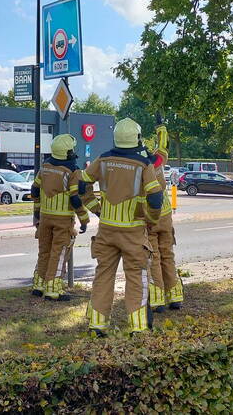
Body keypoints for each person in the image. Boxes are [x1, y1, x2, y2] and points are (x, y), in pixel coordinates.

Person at [80, 118, 165, 336]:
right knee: (136, 276)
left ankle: (97, 326)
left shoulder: (104, 159)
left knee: (103, 275)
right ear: (137, 138)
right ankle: (138, 327)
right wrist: (151, 219)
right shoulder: (143, 164)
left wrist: (95, 208)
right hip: (133, 232)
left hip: (107, 229)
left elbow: (82, 183)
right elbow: (155, 197)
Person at [31, 134, 90, 301]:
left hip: (45, 217)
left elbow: (35, 190)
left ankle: (38, 285)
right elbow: (75, 198)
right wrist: (84, 219)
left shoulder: (45, 167)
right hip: (63, 219)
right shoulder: (73, 171)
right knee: (59, 252)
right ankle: (53, 289)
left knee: (44, 251)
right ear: (68, 151)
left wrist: (37, 213)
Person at [143, 123, 184, 313]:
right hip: (166, 216)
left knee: (154, 258)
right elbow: (163, 144)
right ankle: (175, 297)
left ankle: (157, 301)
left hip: (149, 217)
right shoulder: (159, 161)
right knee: (168, 255)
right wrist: (160, 126)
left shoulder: (140, 168)